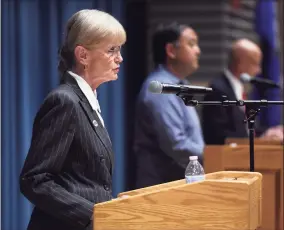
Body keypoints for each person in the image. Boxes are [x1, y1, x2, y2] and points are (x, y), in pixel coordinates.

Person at [19, 9, 126, 230]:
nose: (120, 58)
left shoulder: (88, 101)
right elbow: (34, 180)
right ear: (83, 55)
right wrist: (91, 215)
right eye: (111, 50)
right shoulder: (64, 101)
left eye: (120, 49)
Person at [133, 23, 204, 189]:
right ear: (171, 51)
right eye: (191, 44)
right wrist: (213, 155)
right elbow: (176, 144)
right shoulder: (160, 88)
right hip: (161, 189)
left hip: (179, 184)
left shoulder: (181, 85)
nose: (198, 51)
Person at [202, 38, 283, 145]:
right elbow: (219, 135)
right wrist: (259, 140)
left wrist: (267, 133)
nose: (259, 70)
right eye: (255, 63)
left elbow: (244, 129)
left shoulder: (239, 87)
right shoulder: (218, 90)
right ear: (241, 63)